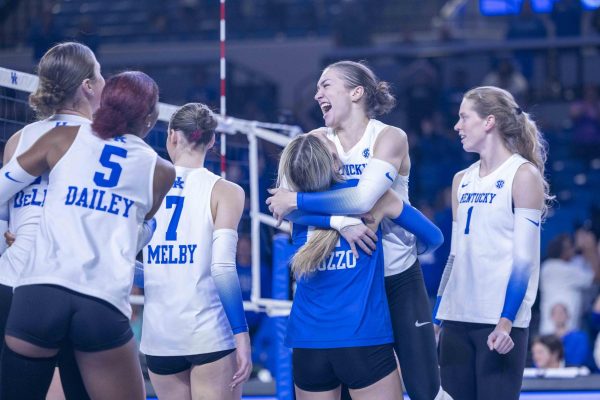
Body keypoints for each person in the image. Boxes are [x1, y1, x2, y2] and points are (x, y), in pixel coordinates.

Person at [266, 60, 450, 400]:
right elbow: (286, 211)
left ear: (356, 92)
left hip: (396, 277)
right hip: (349, 281)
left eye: (325, 85)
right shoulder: (315, 141)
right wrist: (336, 220)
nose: (317, 93)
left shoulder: (389, 137)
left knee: (427, 390)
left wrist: (299, 199)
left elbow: (363, 199)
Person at [0, 70, 175, 399]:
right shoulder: (162, 171)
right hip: (99, 302)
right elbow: (133, 234)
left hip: (38, 294)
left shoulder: (62, 137)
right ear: (151, 117)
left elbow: (4, 188)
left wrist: (20, 231)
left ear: (103, 102)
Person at [0, 41, 105, 399]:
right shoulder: (103, 144)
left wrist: (12, 239)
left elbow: (3, 218)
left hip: (10, 284)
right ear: (88, 86)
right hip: (69, 288)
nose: (105, 81)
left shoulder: (19, 138)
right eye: (100, 73)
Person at [434, 86, 551, 400]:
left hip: (498, 323)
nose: (457, 126)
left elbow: (524, 260)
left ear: (488, 122)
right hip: (457, 319)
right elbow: (454, 257)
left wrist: (505, 322)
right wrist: (437, 319)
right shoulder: (461, 179)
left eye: (463, 117)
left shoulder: (523, 175)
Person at [140, 103, 251, 400]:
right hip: (208, 334)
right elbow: (223, 268)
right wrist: (242, 335)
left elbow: (126, 256)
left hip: (160, 337)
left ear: (172, 136)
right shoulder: (226, 191)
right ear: (212, 140)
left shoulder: (143, 185)